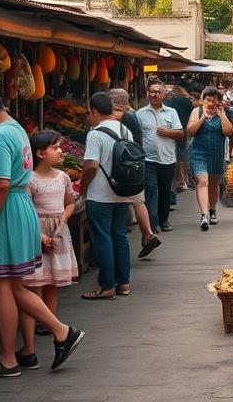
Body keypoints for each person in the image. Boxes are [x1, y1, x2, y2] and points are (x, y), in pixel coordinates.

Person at [0, 87, 84, 375]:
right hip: (19, 209)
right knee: (14, 286)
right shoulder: (17, 129)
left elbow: (1, 184)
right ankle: (59, 334)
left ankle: (10, 358)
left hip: (6, 212)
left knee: (2, 287)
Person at [18, 131, 78, 367]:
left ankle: (53, 331)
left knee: (52, 284)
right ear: (40, 153)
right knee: (33, 285)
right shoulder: (29, 180)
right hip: (36, 234)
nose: (61, 151)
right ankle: (29, 347)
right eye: (55, 147)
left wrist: (63, 219)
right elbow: (27, 211)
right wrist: (39, 234)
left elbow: (69, 203)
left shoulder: (63, 177)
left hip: (58, 235)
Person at [80, 91, 138, 300]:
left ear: (95, 111)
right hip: (121, 193)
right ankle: (123, 283)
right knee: (119, 236)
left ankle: (107, 286)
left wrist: (83, 187)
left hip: (100, 195)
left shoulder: (95, 134)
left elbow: (91, 166)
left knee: (102, 239)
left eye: (89, 112)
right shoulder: (124, 130)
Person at [109, 87, 161, 257]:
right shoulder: (132, 114)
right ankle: (148, 234)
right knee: (138, 199)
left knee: (136, 199)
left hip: (129, 163)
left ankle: (148, 234)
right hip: (135, 161)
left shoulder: (126, 117)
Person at [138, 78, 185, 234]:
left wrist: (168, 132)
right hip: (148, 160)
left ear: (164, 95)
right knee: (151, 191)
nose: (154, 95)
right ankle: (152, 223)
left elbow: (180, 133)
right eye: (152, 92)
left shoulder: (171, 112)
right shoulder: (140, 114)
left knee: (165, 191)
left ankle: (164, 220)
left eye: (158, 92)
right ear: (148, 94)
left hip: (168, 160)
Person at [187, 86, 233, 230]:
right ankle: (204, 215)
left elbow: (228, 131)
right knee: (202, 181)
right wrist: (203, 117)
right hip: (198, 152)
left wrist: (222, 116)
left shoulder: (222, 113)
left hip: (216, 153)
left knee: (213, 184)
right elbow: (191, 131)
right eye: (208, 100)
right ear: (203, 100)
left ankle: (212, 210)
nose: (211, 103)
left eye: (214, 100)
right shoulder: (197, 112)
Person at [165, 84, 197, 192]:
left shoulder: (168, 102)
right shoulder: (187, 101)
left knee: (177, 155)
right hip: (185, 129)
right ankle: (186, 179)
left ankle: (181, 180)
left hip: (172, 130)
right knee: (184, 154)